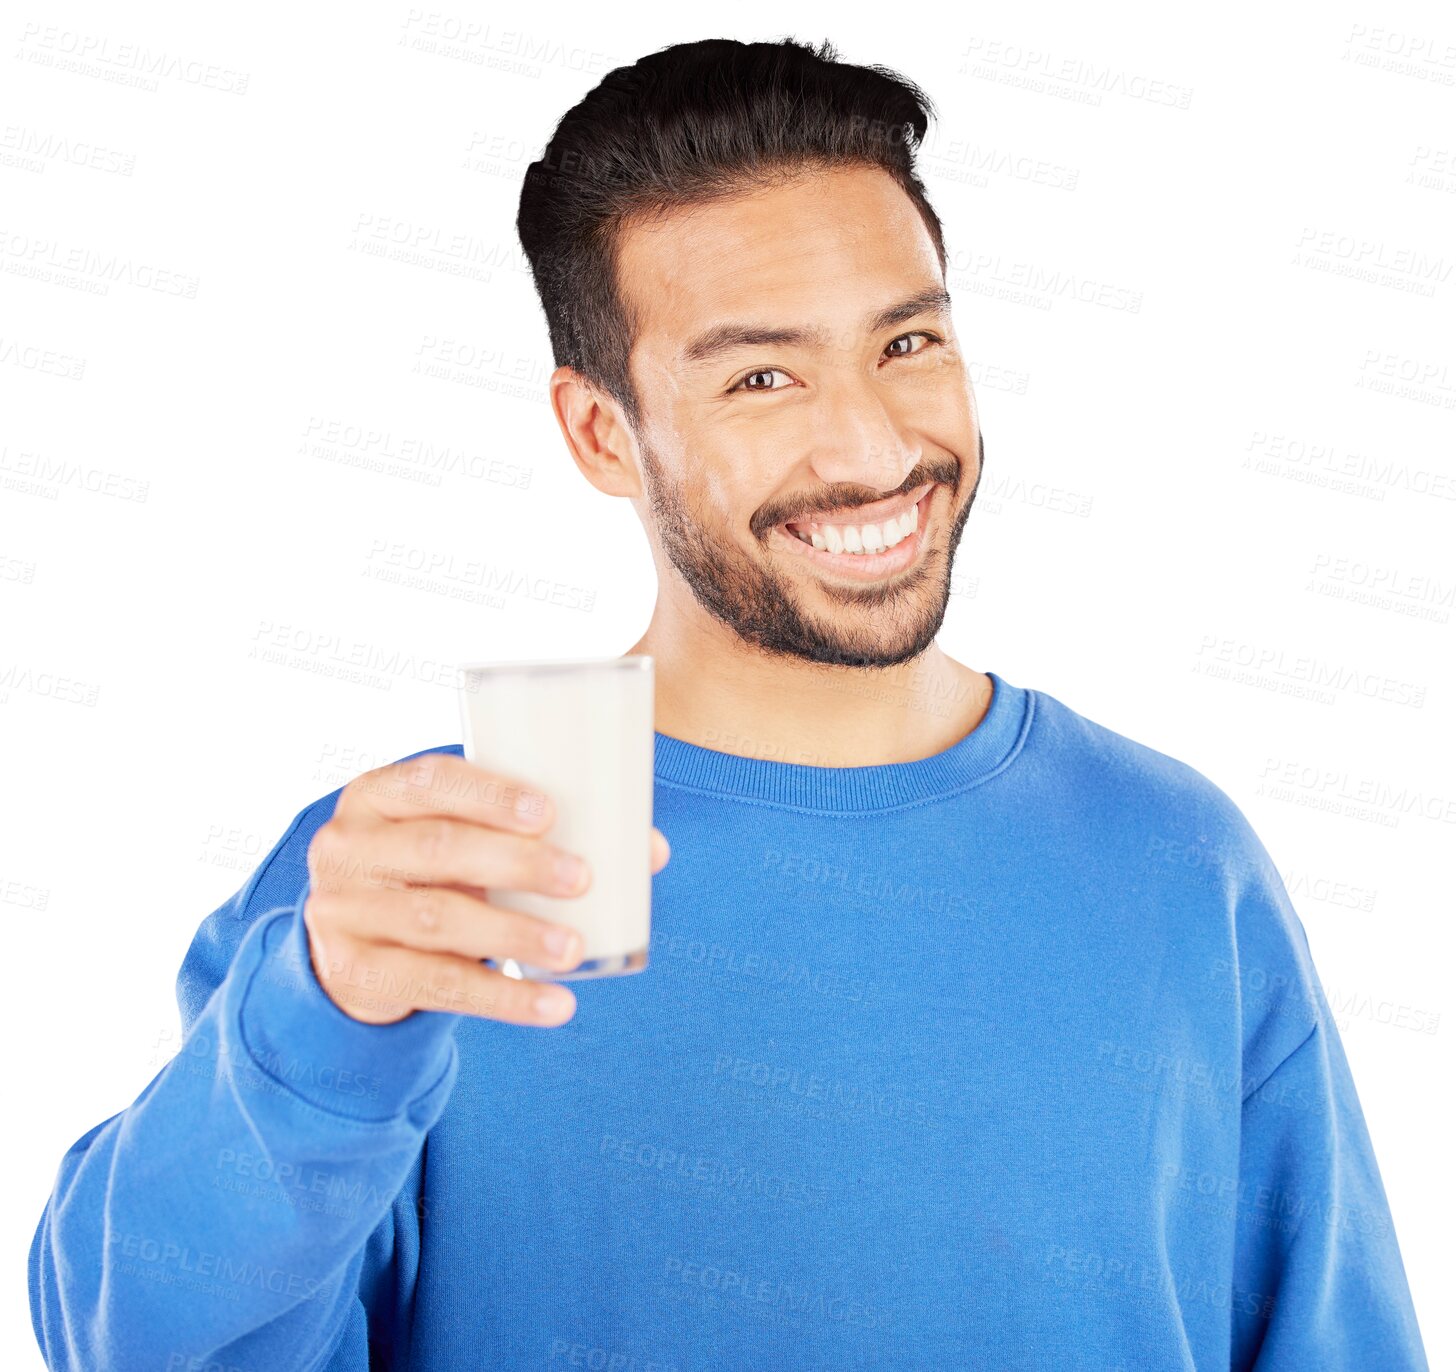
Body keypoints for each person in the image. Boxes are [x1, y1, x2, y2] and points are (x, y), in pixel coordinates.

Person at [28, 36, 1429, 1372]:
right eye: (762, 376)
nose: (875, 446)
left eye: (907, 344)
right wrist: (320, 1028)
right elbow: (133, 1341)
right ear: (598, 431)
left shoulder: (1180, 861)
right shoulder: (428, 883)